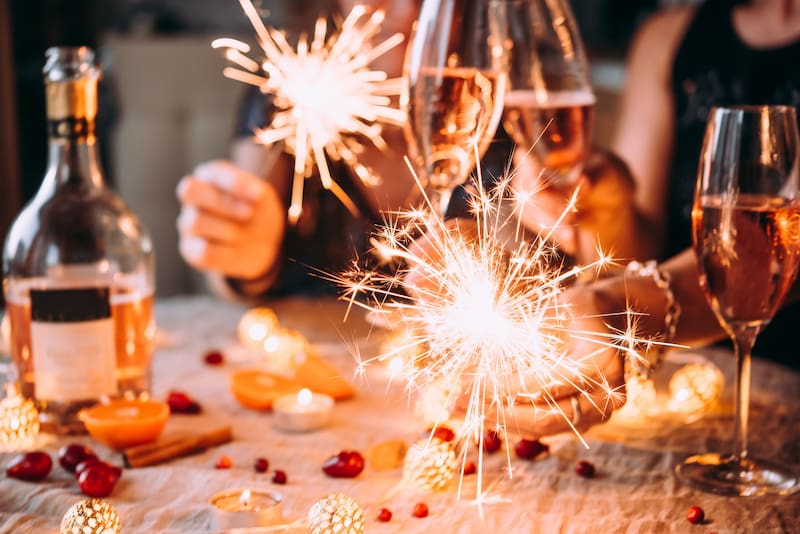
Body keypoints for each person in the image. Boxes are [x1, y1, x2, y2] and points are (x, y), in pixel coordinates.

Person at [444, 0, 800, 437]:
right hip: (681, 399)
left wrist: (621, 307)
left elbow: (780, 243)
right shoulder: (666, 39)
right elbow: (628, 260)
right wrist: (605, 211)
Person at [176, 0, 420, 300]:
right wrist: (243, 256)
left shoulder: (491, 110)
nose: (407, 8)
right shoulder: (286, 96)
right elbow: (233, 276)